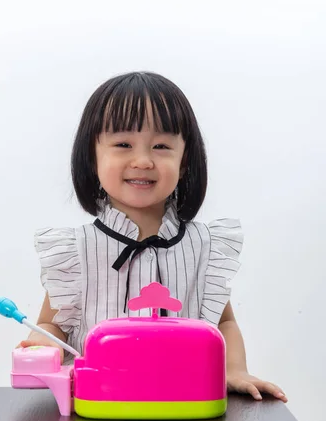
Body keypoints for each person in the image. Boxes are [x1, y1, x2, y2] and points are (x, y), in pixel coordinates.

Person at [19, 71, 287, 403]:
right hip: (98, 405)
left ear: (184, 159)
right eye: (123, 144)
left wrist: (233, 370)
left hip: (186, 403)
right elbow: (53, 325)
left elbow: (225, 322)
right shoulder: (76, 251)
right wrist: (43, 344)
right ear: (93, 156)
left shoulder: (205, 246)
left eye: (161, 146)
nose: (143, 160)